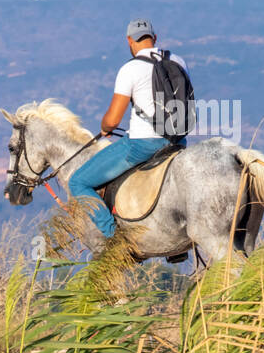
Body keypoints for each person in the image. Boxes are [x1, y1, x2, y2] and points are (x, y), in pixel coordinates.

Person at [69, 19, 190, 240]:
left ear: (129, 41)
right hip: (178, 143)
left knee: (78, 182)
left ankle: (115, 239)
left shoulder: (130, 69)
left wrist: (104, 128)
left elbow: (113, 120)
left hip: (143, 145)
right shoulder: (178, 60)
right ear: (155, 38)